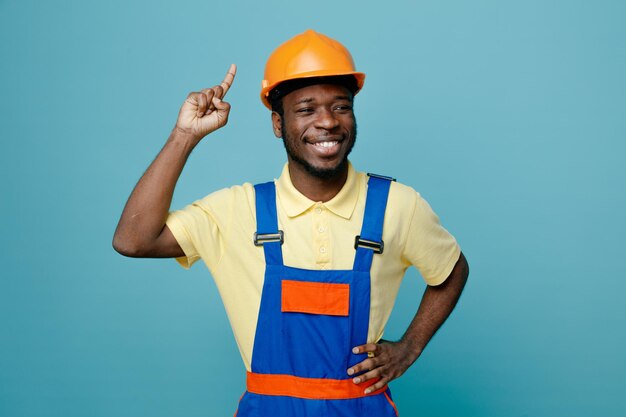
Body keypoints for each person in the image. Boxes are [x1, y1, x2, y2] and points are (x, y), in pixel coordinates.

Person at [113, 29, 469, 416]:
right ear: (277, 123)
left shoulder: (398, 206)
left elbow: (452, 271)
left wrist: (409, 347)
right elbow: (133, 240)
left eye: (341, 106)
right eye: (306, 109)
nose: (328, 122)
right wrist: (184, 135)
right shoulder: (238, 210)